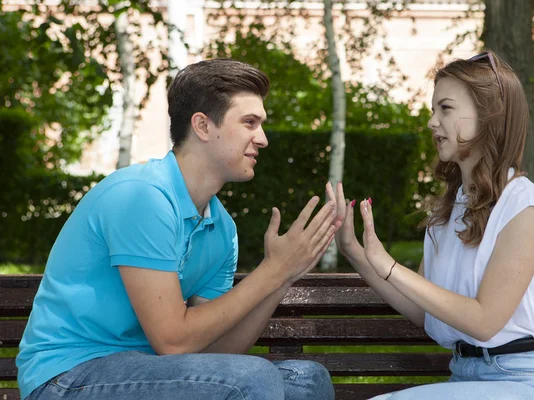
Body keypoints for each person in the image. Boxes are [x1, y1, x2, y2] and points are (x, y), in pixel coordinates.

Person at [17, 59, 338, 400]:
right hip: (66, 378)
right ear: (201, 125)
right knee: (254, 377)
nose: (262, 139)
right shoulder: (141, 197)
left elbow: (219, 351)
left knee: (306, 380)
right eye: (249, 122)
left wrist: (282, 276)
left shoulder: (221, 228)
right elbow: (173, 341)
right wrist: (271, 270)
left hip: (149, 371)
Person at [326, 51, 534, 400]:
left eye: (445, 108)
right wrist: (354, 251)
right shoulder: (448, 213)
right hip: (464, 378)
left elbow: (484, 321)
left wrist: (391, 266)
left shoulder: (524, 206)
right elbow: (425, 313)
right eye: (433, 110)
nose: (432, 122)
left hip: (527, 382)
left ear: (491, 116)